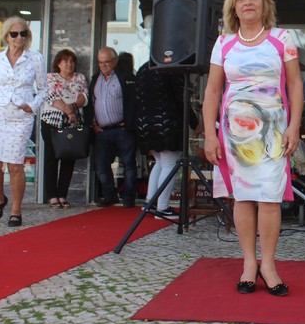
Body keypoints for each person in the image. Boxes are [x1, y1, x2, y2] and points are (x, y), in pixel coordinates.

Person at [203, 0, 303, 297]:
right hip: (235, 135)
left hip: (273, 133)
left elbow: (295, 84)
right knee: (243, 197)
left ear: (265, 4)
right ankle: (249, 264)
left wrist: (294, 126)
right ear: (234, 7)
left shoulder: (282, 39)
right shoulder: (223, 43)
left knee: (270, 198)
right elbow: (212, 91)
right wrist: (210, 135)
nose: (248, 2)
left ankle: (268, 265)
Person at [0, 17, 47, 227]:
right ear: (6, 36)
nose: (19, 37)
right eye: (14, 33)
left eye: (23, 33)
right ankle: (0, 198)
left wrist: (33, 106)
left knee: (15, 165)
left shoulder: (35, 58)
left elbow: (44, 89)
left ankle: (16, 211)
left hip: (20, 116)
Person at [136, 63, 198, 218]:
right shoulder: (172, 69)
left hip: (145, 123)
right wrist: (194, 121)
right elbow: (181, 98)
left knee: (160, 162)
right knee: (169, 164)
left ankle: (150, 202)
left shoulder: (143, 69)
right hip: (167, 124)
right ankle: (162, 208)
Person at [86, 47, 138, 207]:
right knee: (101, 166)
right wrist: (93, 124)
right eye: (100, 62)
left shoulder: (125, 78)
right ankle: (110, 195)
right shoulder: (95, 79)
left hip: (122, 129)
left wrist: (130, 122)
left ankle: (129, 197)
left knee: (128, 164)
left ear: (115, 61)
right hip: (102, 130)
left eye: (107, 62)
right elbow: (91, 102)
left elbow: (135, 101)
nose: (103, 65)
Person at [40, 49, 88, 208]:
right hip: (52, 122)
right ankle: (52, 196)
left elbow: (84, 96)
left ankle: (62, 195)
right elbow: (51, 96)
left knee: (68, 159)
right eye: (65, 61)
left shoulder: (80, 78)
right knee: (51, 158)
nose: (69, 64)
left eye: (71, 61)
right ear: (58, 63)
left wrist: (73, 108)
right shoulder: (50, 77)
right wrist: (69, 112)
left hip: (72, 124)